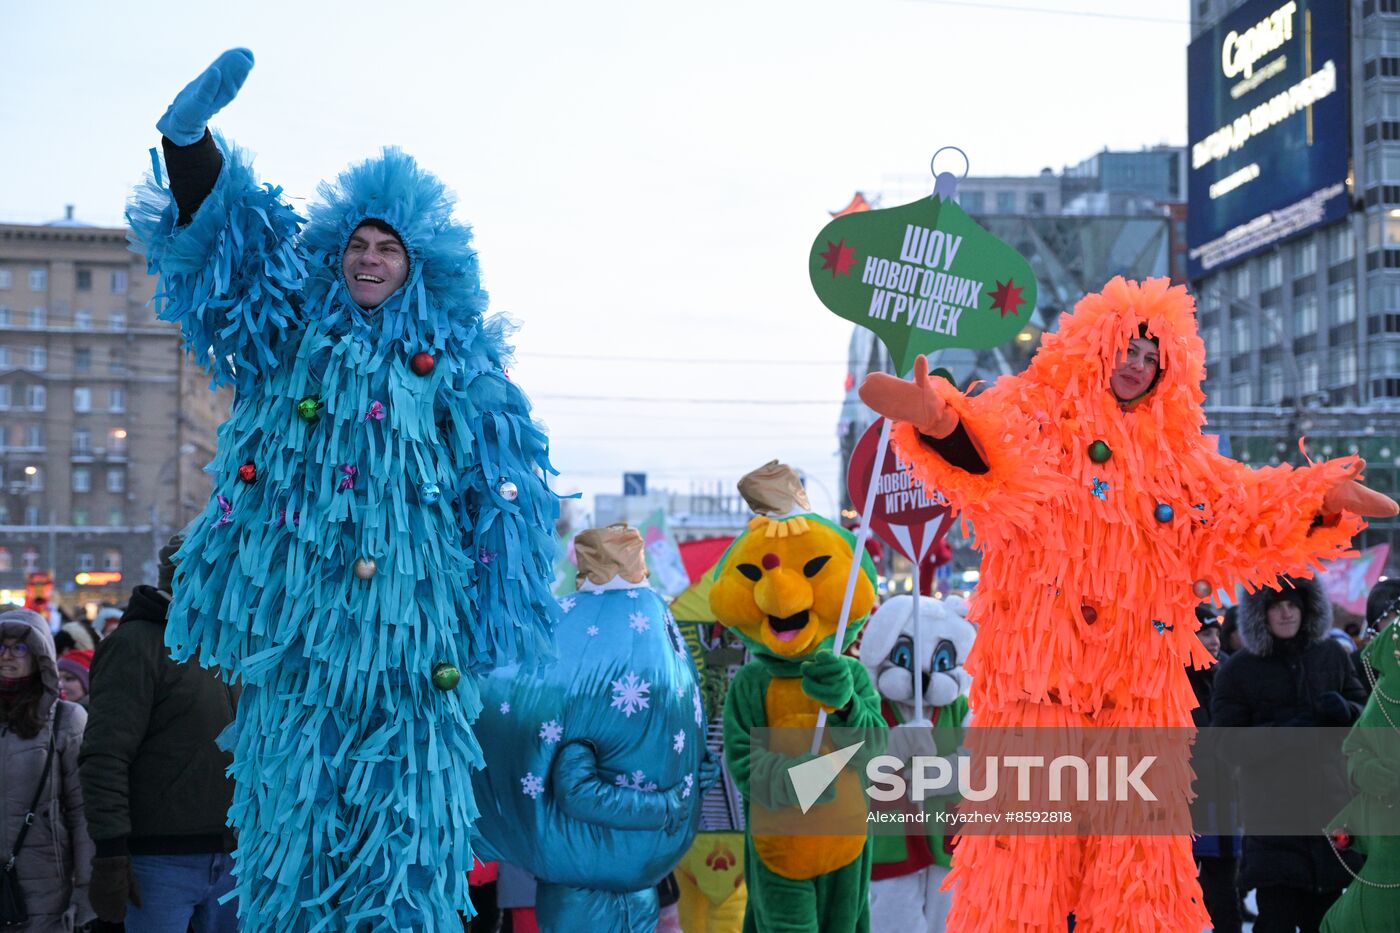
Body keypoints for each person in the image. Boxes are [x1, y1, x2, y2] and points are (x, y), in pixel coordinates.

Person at [126, 49, 559, 930]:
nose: (368, 258)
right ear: (338, 254)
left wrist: (487, 619)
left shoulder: (457, 366)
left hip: (415, 652)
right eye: (357, 244)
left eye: (385, 247)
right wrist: (188, 145)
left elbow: (503, 497)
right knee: (295, 827)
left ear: (414, 263)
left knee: (406, 836)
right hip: (305, 643)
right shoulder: (291, 332)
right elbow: (235, 255)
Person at [857, 276, 1396, 931]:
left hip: (1137, 687)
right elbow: (988, 456)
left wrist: (1320, 500)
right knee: (1025, 862)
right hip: (1038, 687)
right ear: (1093, 347)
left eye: (1152, 356)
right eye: (1128, 348)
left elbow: (1240, 511)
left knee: (1139, 866)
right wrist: (941, 421)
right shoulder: (1037, 414)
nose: (1138, 365)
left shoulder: (1179, 460)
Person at [79, 536, 238, 932]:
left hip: (235, 857)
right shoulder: (135, 645)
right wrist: (111, 852)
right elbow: (105, 755)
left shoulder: (228, 643)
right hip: (158, 862)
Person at [1211, 576, 1368, 933]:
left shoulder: (1331, 656)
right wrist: (1281, 735)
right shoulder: (1239, 670)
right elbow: (1224, 744)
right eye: (1276, 606)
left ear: (1306, 608)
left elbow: (1365, 716)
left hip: (1330, 809)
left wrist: (1346, 710)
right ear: (1260, 614)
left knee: (1327, 920)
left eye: (1292, 604)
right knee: (1276, 920)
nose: (1286, 613)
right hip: (1273, 817)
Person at [0, 608, 95, 932]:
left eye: (20, 647)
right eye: (1, 647)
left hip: (45, 888)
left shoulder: (66, 720)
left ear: (40, 654)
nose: (7, 656)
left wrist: (85, 890)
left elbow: (83, 812)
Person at [1187, 606, 1242, 933]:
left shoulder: (1227, 676)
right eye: (1205, 633)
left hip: (1223, 807)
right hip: (1186, 810)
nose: (1214, 640)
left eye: (1215, 633)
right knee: (1181, 897)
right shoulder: (1168, 683)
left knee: (1225, 898)